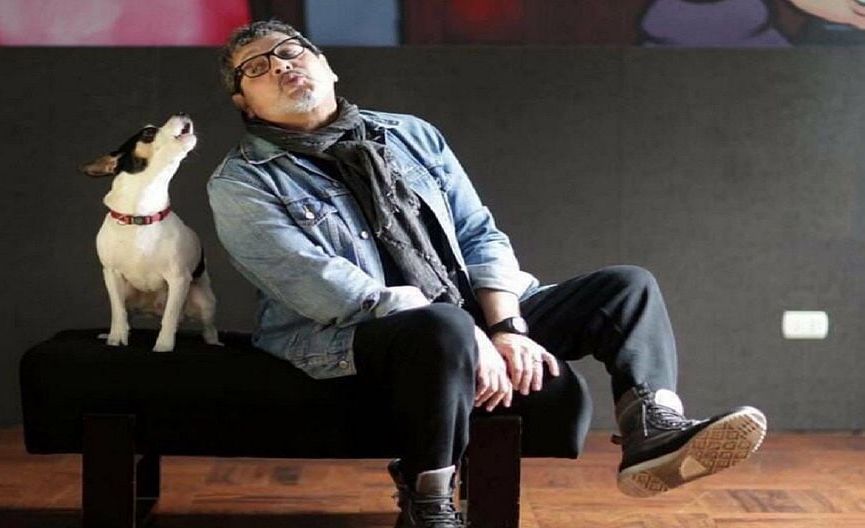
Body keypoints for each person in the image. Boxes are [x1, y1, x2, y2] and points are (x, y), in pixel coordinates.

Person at [207, 20, 767, 528]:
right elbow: (322, 286)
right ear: (243, 101)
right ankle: (428, 500)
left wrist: (506, 329)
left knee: (627, 287)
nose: (280, 66)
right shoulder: (241, 182)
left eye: (291, 52)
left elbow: (479, 234)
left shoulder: (410, 135)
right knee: (444, 326)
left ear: (326, 65)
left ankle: (652, 429)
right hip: (349, 335)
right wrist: (466, 331)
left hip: (464, 314)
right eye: (257, 67)